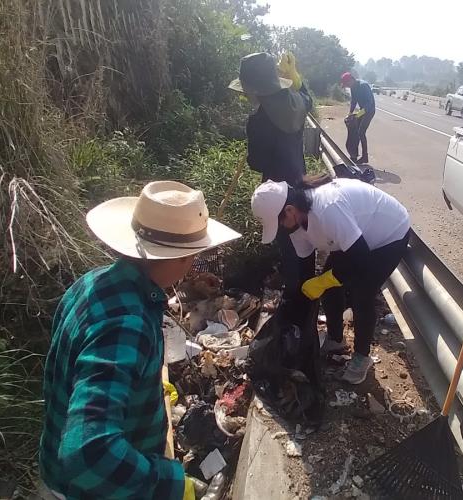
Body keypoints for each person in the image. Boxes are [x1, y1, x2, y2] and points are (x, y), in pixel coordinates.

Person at [39, 181, 240, 499]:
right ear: (181, 259)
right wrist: (173, 484)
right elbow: (88, 454)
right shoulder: (127, 326)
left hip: (56, 471)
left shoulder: (90, 283)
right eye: (192, 256)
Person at [251, 175, 411, 385]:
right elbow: (305, 267)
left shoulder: (327, 209)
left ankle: (361, 358)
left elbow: (360, 256)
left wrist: (325, 280)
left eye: (279, 222)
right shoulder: (295, 224)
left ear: (289, 210)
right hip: (356, 237)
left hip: (388, 234)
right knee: (329, 287)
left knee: (362, 293)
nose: (280, 228)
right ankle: (336, 339)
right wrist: (297, 304)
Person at [229, 52, 314, 304]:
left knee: (287, 244)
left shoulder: (257, 122)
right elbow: (308, 98)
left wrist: (254, 149)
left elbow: (256, 162)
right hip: (300, 182)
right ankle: (307, 291)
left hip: (276, 191)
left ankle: (294, 297)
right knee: (304, 239)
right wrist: (296, 78)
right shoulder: (296, 102)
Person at [341, 72, 376, 164]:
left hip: (369, 111)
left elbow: (369, 104)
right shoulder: (353, 88)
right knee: (355, 131)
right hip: (362, 110)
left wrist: (358, 115)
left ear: (351, 80)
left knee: (361, 132)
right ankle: (354, 155)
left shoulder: (363, 86)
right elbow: (354, 101)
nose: (347, 86)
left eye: (347, 84)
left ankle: (365, 157)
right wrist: (350, 113)